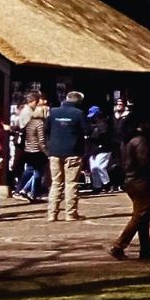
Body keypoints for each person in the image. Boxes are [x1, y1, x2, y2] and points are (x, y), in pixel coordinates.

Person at [109, 116, 150, 261]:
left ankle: (146, 248)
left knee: (144, 216)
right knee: (140, 216)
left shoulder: (125, 142)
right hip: (139, 181)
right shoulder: (139, 141)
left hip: (130, 181)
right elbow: (144, 163)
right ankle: (119, 246)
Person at [43, 91, 89, 221]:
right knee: (71, 183)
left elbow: (46, 129)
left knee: (56, 183)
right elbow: (87, 130)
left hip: (55, 151)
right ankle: (70, 213)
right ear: (79, 101)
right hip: (73, 151)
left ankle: (52, 213)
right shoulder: (78, 114)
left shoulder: (53, 112)